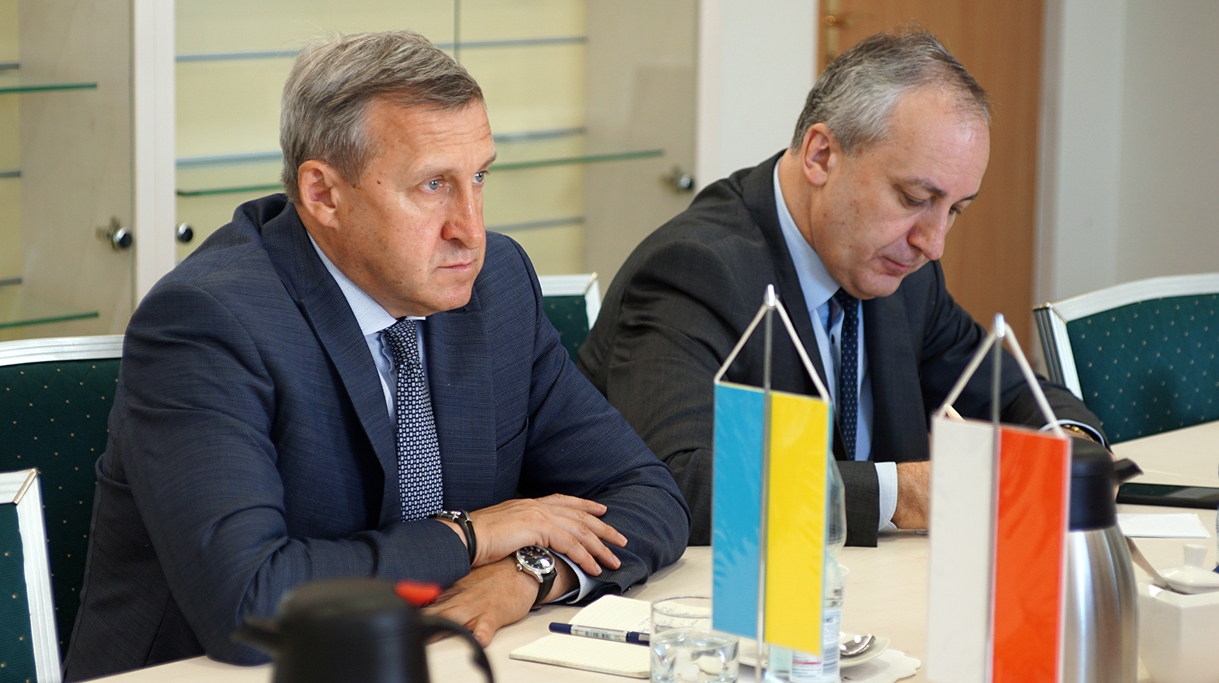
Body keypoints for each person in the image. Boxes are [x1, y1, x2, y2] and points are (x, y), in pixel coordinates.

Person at [64, 30, 688, 681]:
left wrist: (528, 571)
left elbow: (646, 495)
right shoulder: (208, 322)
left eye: (478, 177)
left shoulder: (495, 286)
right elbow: (249, 604)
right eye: (433, 185)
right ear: (323, 195)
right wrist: (471, 536)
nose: (470, 229)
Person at [577, 30, 1104, 549]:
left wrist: (1071, 447)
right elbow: (681, 482)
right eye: (914, 198)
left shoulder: (905, 270)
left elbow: (1008, 391)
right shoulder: (694, 270)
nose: (933, 243)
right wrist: (903, 494)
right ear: (822, 155)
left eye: (956, 211)